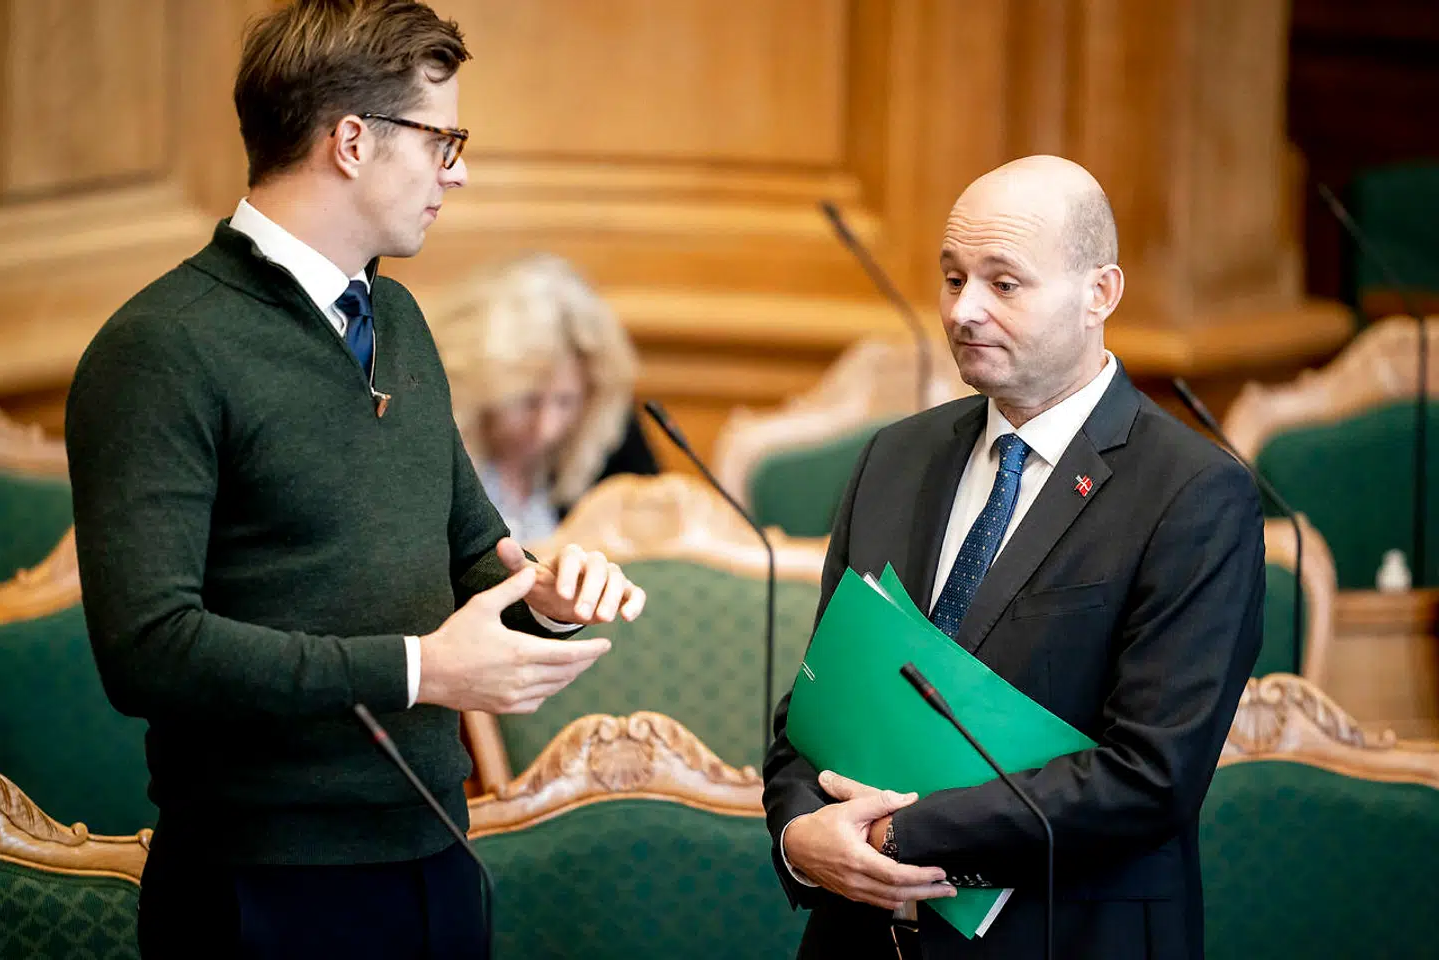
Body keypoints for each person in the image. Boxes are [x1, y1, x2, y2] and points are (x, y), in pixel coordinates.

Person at [64, 2, 645, 956]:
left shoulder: (400, 318)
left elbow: (470, 556)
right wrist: (422, 671)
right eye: (442, 138)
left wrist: (546, 597)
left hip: (436, 855)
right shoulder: (159, 348)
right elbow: (149, 651)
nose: (457, 169)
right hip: (262, 887)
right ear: (351, 141)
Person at [762, 155, 1264, 959]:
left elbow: (1149, 775)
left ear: (1100, 292)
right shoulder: (893, 457)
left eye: (1004, 284)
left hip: (1066, 934)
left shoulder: (1194, 494)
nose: (964, 310)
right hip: (859, 938)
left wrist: (899, 833)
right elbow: (821, 705)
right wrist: (800, 835)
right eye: (952, 277)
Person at [431, 253, 659, 543]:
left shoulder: (607, 435)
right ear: (482, 389)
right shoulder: (434, 447)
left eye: (566, 401)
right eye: (527, 401)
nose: (546, 427)